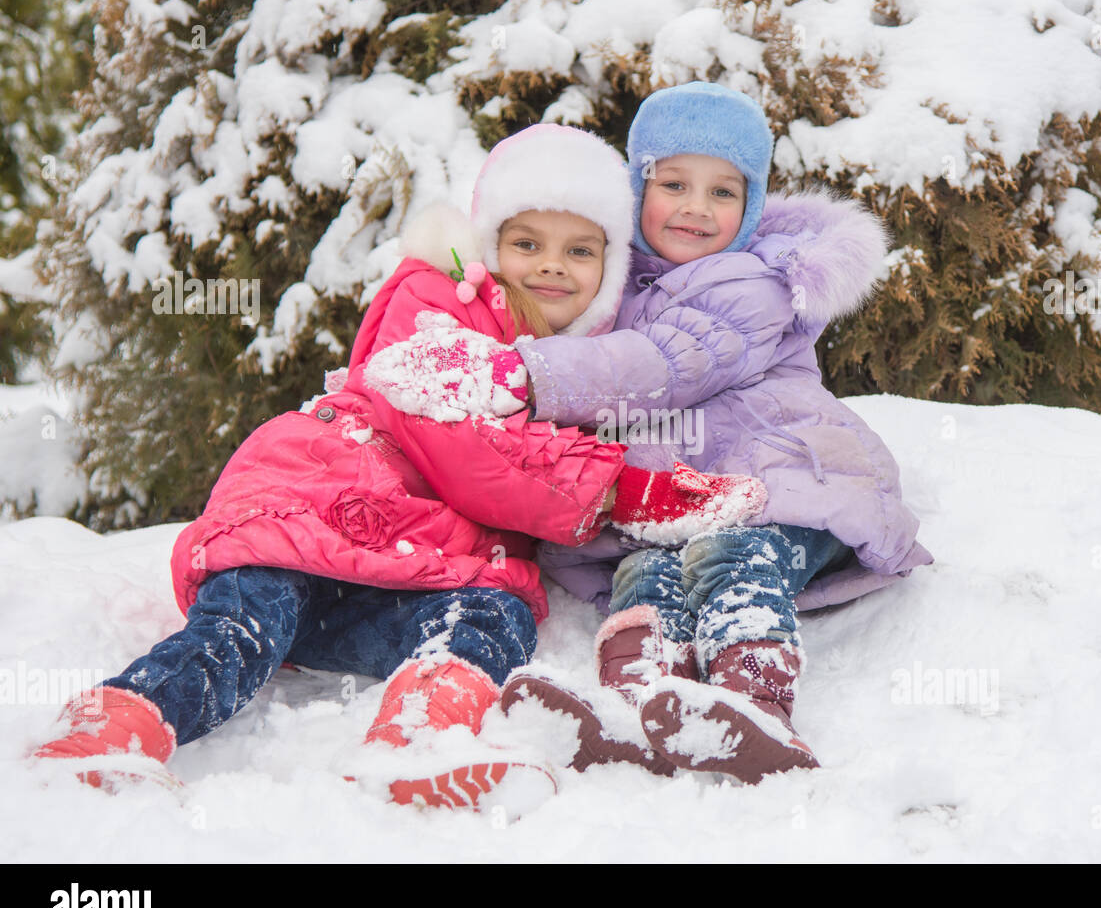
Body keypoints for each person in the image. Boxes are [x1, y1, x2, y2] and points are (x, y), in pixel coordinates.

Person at [28, 124, 766, 810]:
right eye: (528, 242)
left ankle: (420, 736)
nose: (550, 265)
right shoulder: (437, 300)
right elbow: (465, 446)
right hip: (312, 502)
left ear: (608, 272)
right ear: (488, 244)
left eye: (580, 251)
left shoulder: (569, 377)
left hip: (396, 569)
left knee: (493, 614)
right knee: (246, 625)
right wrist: (626, 490)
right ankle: (112, 730)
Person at [419, 83, 934, 785]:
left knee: (732, 557)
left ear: (750, 209)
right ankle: (637, 706)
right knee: (645, 576)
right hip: (673, 501)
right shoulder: (614, 283)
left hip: (780, 479)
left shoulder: (750, 283)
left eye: (723, 192)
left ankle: (756, 703)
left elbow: (657, 369)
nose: (696, 207)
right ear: (637, 189)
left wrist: (521, 374)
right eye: (674, 184)